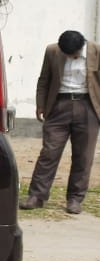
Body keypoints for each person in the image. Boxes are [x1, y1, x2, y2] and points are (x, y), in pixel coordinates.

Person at [19, 30, 99, 215]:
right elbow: (44, 79)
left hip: (88, 107)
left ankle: (75, 199)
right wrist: (40, 105)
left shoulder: (96, 51)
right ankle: (36, 196)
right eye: (67, 54)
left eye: (73, 54)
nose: (70, 57)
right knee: (49, 153)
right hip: (58, 106)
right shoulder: (52, 51)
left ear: (82, 47)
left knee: (83, 156)